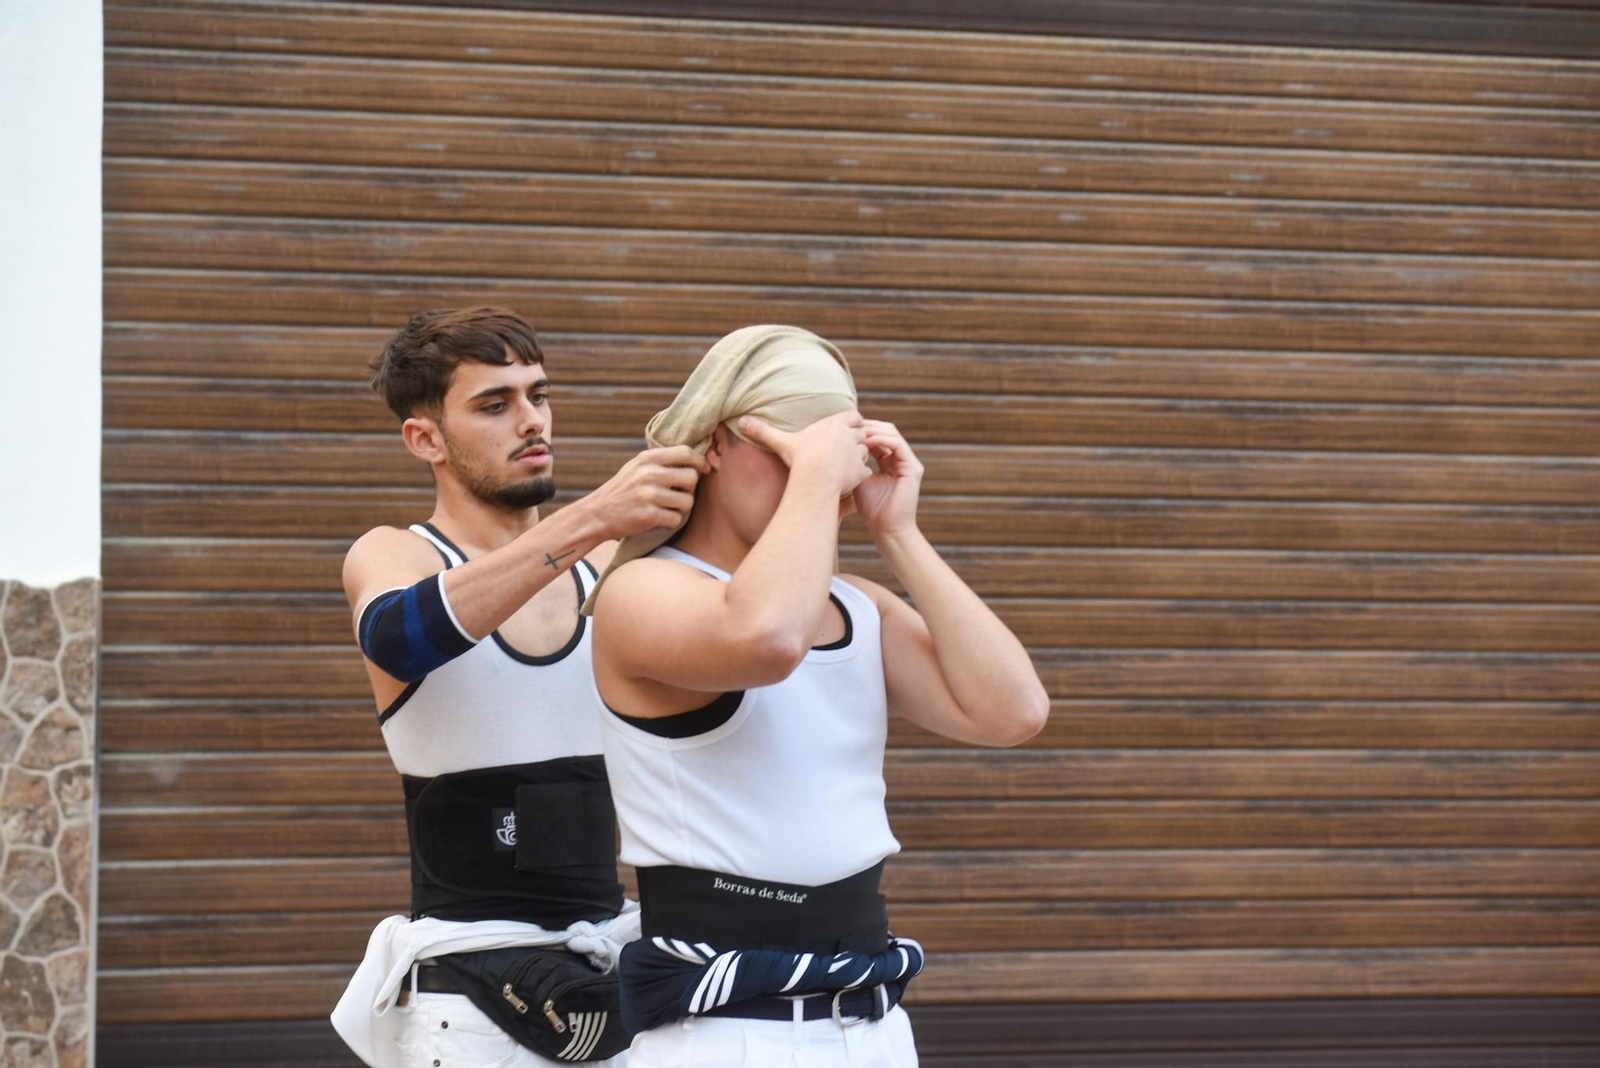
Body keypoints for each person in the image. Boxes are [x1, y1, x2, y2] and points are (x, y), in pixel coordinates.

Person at [586, 325, 1050, 1067]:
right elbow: (766, 641)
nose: (821, 475)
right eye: (785, 450)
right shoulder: (641, 593)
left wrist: (897, 531)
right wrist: (813, 475)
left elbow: (1012, 712)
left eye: (832, 456)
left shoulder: (858, 607)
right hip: (722, 1033)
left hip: (867, 1023)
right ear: (712, 445)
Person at [330, 307, 708, 1068]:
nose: (531, 420)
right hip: (469, 998)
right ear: (424, 439)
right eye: (495, 404)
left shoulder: (613, 557)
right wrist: (590, 519)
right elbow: (398, 639)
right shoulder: (395, 553)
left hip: (608, 977)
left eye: (538, 395)